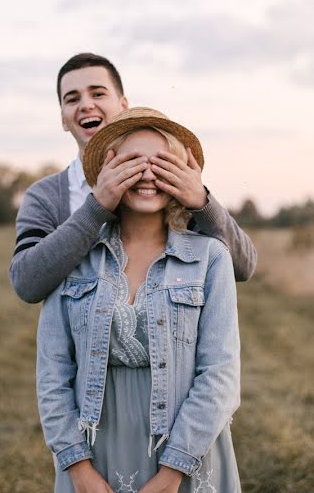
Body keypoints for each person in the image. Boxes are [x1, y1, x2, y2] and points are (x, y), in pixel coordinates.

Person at [37, 107, 241, 492]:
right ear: (107, 173)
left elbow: (221, 375)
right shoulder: (73, 258)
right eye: (132, 162)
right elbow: (52, 374)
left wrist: (173, 473)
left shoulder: (210, 258)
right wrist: (77, 468)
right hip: (94, 454)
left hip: (187, 452)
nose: (147, 175)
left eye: (162, 163)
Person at [9, 53, 256, 304]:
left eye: (98, 94)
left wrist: (202, 203)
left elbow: (243, 266)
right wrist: (97, 208)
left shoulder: (160, 185)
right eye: (72, 99)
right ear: (63, 118)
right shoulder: (45, 196)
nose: (86, 105)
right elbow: (26, 284)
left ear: (123, 106)